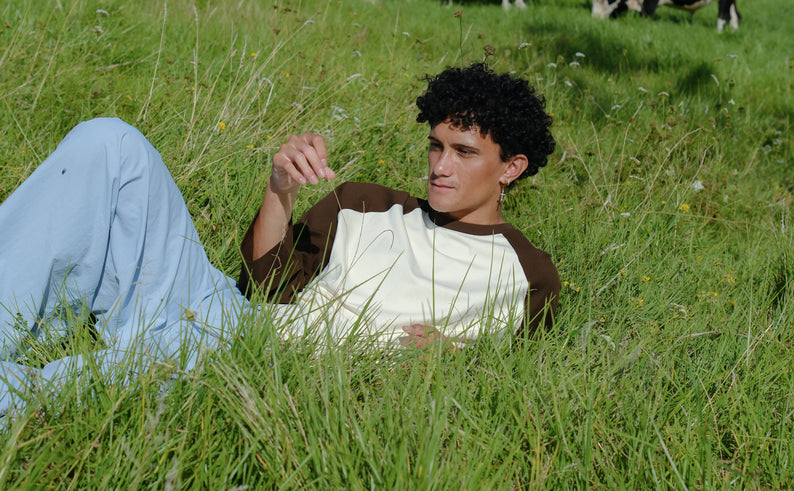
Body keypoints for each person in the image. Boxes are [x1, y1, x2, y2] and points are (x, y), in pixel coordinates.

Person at [0, 63, 559, 414]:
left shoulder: (529, 274)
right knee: (111, 142)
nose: (441, 166)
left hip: (274, 364)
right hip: (232, 316)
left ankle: (25, 394)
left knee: (165, 355)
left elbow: (507, 381)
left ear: (511, 167)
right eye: (437, 146)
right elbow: (263, 286)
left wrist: (449, 358)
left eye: (464, 153)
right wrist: (279, 189)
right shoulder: (368, 202)